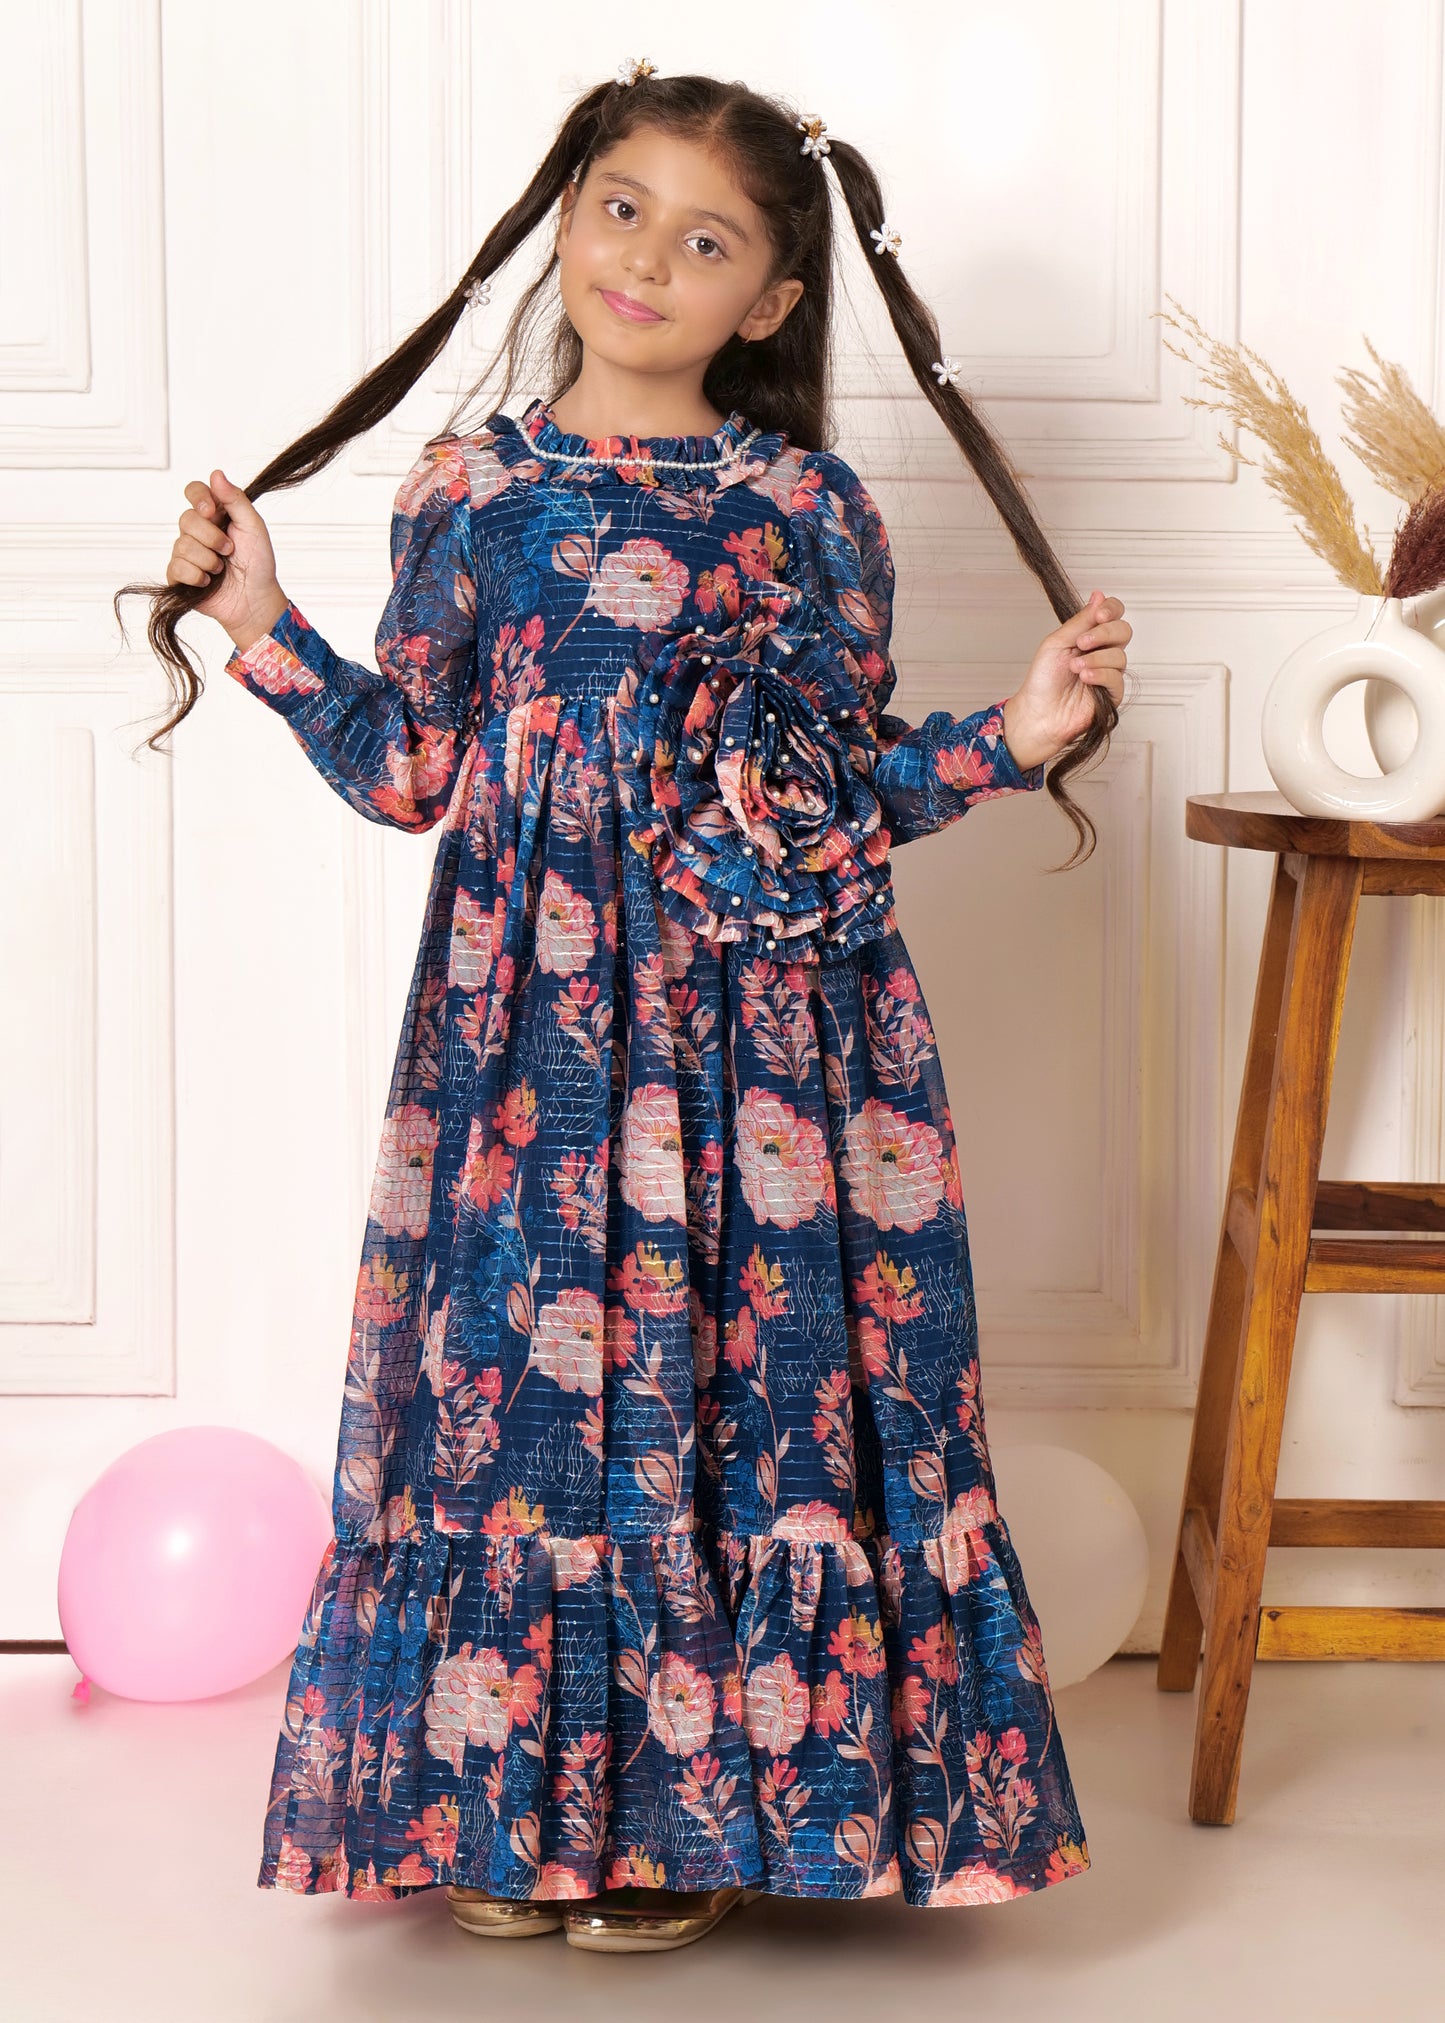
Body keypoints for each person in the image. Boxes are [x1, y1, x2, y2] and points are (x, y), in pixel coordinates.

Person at [149, 63, 1129, 1954]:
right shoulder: (473, 491)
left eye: (706, 241)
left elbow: (830, 798)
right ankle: (514, 1807)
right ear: (562, 219)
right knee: (517, 1397)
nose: (646, 260)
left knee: (715, 1398)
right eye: (620, 209)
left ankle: (685, 1817)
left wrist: (1012, 740)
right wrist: (265, 626)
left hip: (756, 1041)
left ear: (767, 300)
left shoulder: (801, 508)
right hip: (527, 1040)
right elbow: (411, 769)